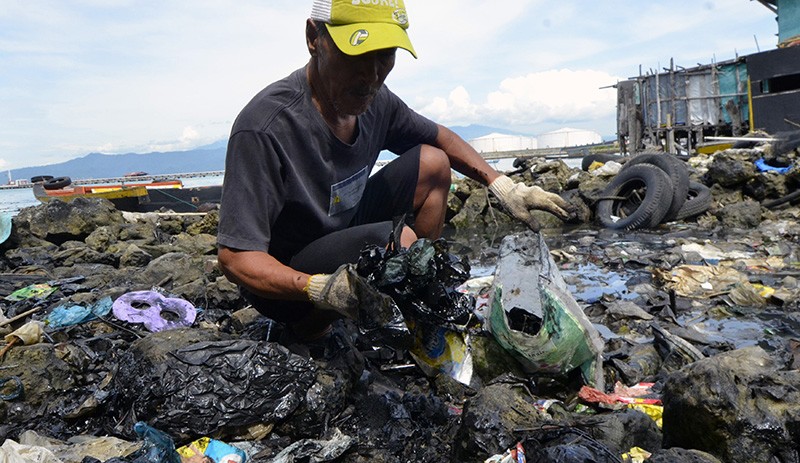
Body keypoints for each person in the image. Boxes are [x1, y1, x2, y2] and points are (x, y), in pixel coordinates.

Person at [217, 0, 572, 345]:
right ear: (315, 39)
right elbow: (235, 258)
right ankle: (313, 332)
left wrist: (502, 185)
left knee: (432, 163)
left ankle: (421, 307)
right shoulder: (265, 127)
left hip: (342, 229)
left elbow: (440, 138)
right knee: (395, 244)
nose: (371, 77)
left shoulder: (376, 101)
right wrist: (316, 288)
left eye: (385, 56)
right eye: (356, 55)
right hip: (288, 282)